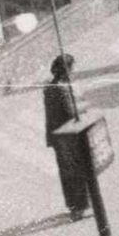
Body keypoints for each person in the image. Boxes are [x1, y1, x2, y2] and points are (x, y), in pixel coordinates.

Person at [41, 55, 89, 219]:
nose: (74, 71)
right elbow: (70, 112)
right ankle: (80, 206)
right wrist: (82, 104)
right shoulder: (63, 88)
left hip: (56, 137)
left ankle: (73, 206)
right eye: (72, 68)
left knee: (66, 172)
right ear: (67, 70)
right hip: (69, 136)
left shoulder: (48, 87)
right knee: (77, 170)